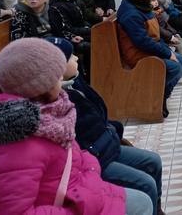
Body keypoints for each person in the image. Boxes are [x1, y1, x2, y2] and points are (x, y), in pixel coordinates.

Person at [0, 37, 152, 214]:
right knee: (142, 203)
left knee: (142, 198)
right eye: (56, 76)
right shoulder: (17, 143)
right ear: (40, 86)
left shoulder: (47, 115)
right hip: (71, 203)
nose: (61, 79)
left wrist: (90, 167)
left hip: (79, 188)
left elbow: (70, 153)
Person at [49, 37, 165, 214]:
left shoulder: (76, 83)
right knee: (145, 184)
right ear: (58, 67)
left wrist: (112, 130)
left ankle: (157, 210)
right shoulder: (60, 101)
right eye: (71, 56)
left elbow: (98, 117)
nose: (77, 58)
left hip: (106, 146)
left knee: (153, 161)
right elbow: (83, 138)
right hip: (96, 159)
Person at [117, 0, 182, 118]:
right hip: (138, 54)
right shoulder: (132, 14)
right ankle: (157, 98)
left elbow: (154, 34)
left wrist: (166, 48)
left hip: (147, 49)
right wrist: (167, 53)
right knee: (175, 67)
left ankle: (160, 94)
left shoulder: (141, 6)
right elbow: (142, 41)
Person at [49, 0, 92, 81]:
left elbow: (83, 20)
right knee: (90, 45)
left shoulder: (74, 1)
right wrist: (89, 30)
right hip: (66, 38)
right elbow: (64, 29)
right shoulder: (56, 7)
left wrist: (90, 28)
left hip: (79, 33)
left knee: (102, 37)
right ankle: (88, 77)